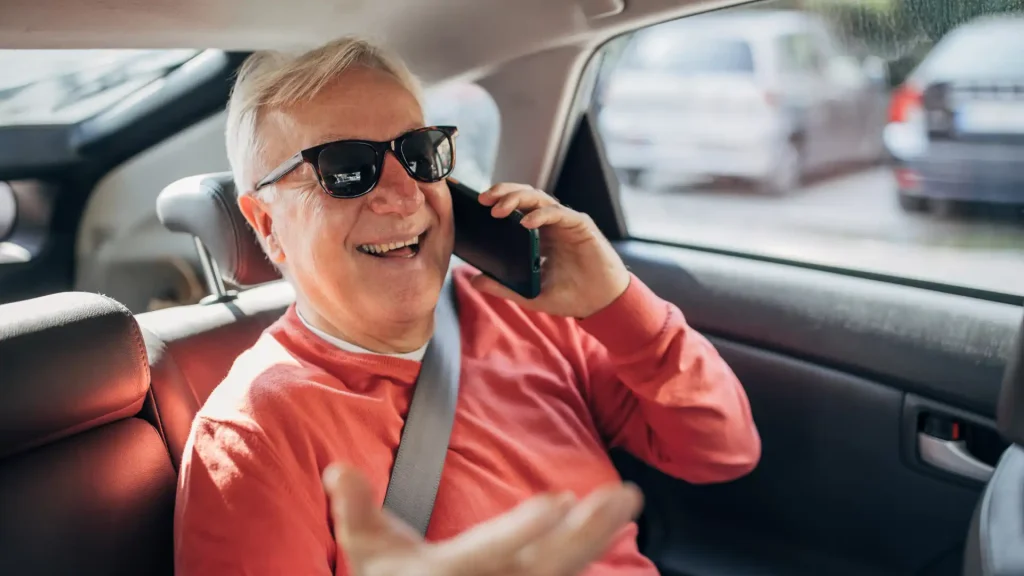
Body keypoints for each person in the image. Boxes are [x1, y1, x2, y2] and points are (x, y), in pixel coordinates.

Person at [174, 36, 761, 576]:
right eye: (346, 169)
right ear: (267, 224)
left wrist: (617, 303)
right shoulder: (252, 435)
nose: (404, 194)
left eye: (418, 153)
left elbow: (723, 449)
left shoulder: (523, 313)